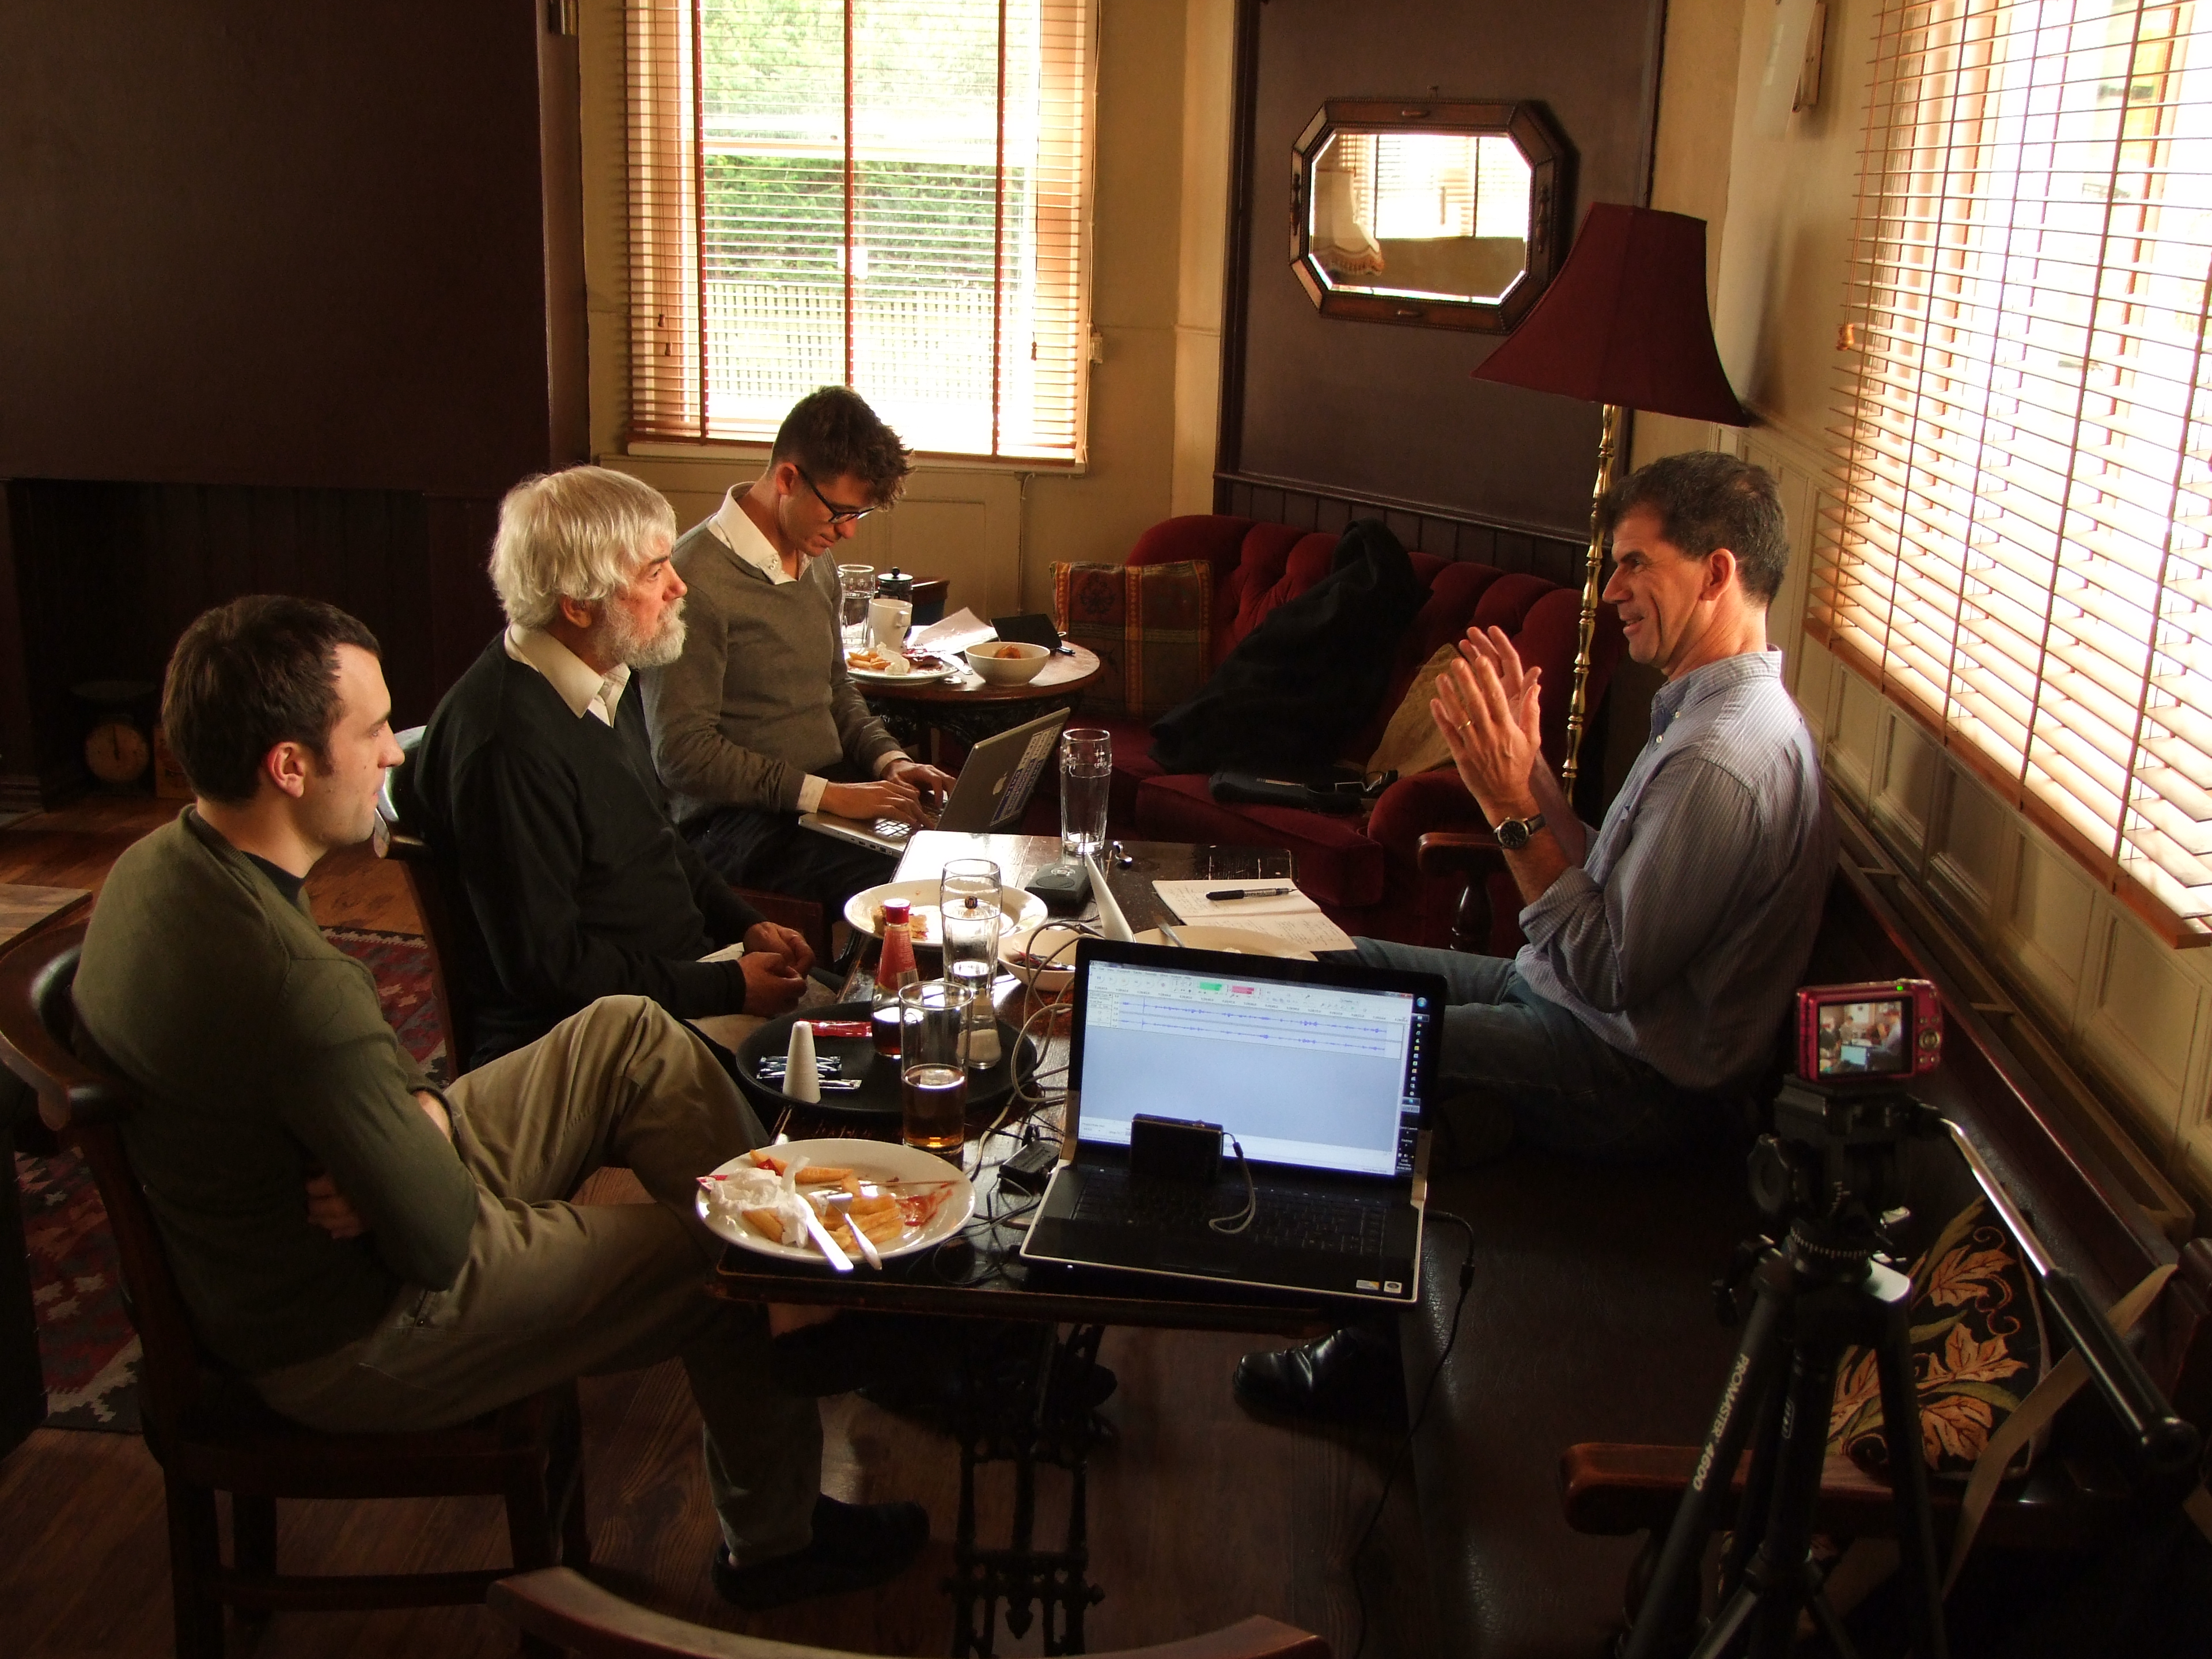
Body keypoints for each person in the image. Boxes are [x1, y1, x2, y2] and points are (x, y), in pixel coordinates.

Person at [73, 595, 926, 1606]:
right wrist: (403, 1166)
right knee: (716, 1252)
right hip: (356, 1329)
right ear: (289, 767)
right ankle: (779, 1538)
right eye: (372, 732)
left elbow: (342, 1088)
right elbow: (440, 1238)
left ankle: (804, 1300)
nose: (393, 754)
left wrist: (414, 1122)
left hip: (333, 1225)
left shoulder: (154, 866)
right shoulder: (293, 985)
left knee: (630, 1034)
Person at [1236, 450, 1836, 1419]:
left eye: (1636, 564)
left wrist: (1511, 810)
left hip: (1634, 1079)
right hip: (1563, 1004)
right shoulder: (1709, 719)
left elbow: (1607, 966)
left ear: (1717, 573)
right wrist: (1530, 777)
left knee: (1360, 1037)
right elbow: (1604, 887)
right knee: (1320, 962)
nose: (1615, 591)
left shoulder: (1724, 759)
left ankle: (1371, 1356)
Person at [406, 465, 813, 1070]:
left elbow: (658, 842)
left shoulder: (601, 676)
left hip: (678, 983)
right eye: (654, 572)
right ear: (578, 604)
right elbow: (548, 968)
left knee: (881, 1020)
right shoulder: (505, 745)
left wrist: (746, 925)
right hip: (590, 1036)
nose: (679, 586)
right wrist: (729, 987)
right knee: (846, 1077)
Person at [642, 385, 957, 919]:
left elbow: (835, 688)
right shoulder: (695, 580)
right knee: (916, 883)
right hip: (734, 824)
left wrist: (891, 762)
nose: (848, 532)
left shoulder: (815, 558)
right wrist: (826, 796)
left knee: (959, 847)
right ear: (788, 479)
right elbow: (681, 754)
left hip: (824, 791)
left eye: (859, 515)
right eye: (839, 512)